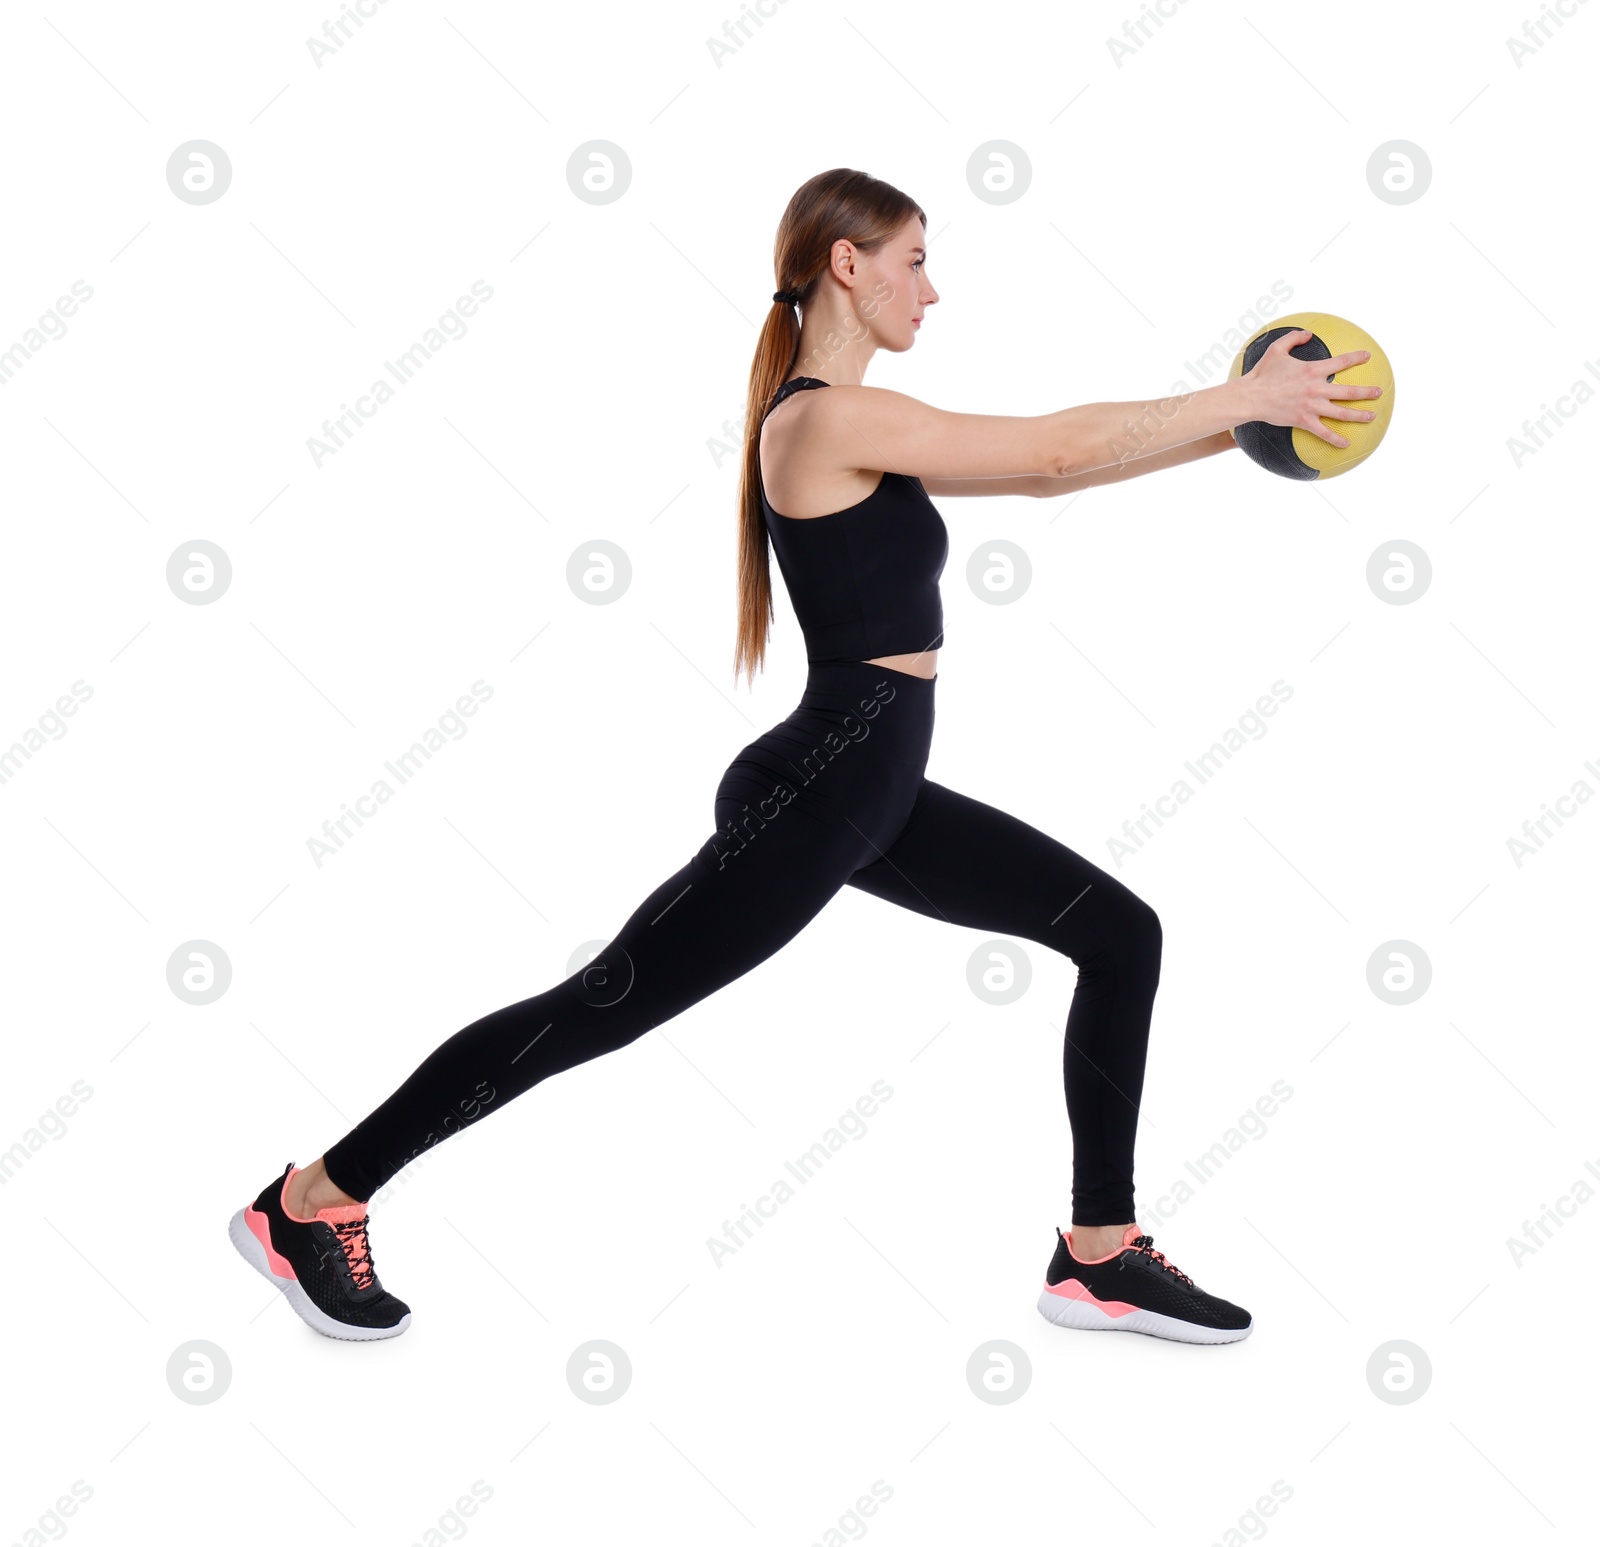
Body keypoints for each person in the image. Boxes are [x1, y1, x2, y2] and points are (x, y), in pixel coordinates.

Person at [229, 167, 1381, 1345]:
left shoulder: (859, 424)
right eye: (915, 259)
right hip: (822, 787)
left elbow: (1072, 466)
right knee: (601, 1007)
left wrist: (1247, 424)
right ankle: (315, 1197)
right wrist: (1237, 390)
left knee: (1116, 930)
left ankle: (1098, 1252)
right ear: (849, 264)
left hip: (868, 789)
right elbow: (1046, 453)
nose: (931, 289)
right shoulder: (821, 417)